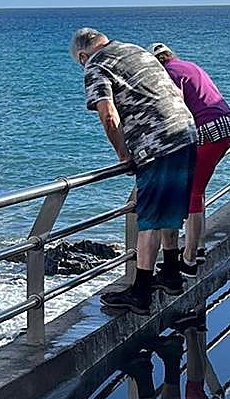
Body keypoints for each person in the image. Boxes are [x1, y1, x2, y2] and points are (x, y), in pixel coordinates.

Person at [71, 27, 198, 314]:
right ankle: (171, 273)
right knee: (170, 210)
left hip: (157, 141)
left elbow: (108, 113)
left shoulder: (96, 65)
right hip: (186, 132)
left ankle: (140, 292)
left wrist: (122, 154)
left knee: (150, 217)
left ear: (82, 56)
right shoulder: (136, 50)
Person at [149, 42, 230, 276]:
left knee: (193, 194)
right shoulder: (189, 66)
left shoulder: (168, 74)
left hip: (206, 130)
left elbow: (175, 106)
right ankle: (198, 248)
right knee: (198, 189)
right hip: (225, 125)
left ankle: (188, 260)